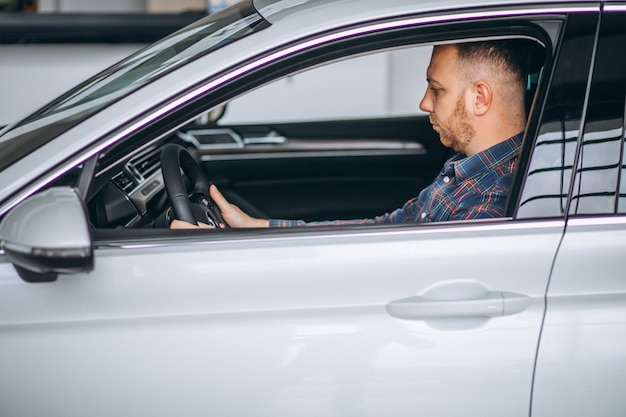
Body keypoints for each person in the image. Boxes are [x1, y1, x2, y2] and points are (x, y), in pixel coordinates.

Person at [171, 40, 532, 230]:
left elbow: (410, 282)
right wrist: (259, 227)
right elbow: (387, 227)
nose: (423, 103)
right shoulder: (467, 172)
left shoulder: (493, 203)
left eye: (436, 89)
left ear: (480, 98)